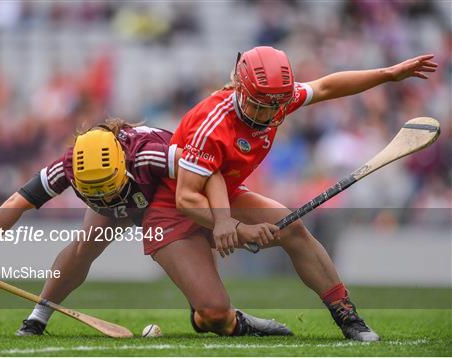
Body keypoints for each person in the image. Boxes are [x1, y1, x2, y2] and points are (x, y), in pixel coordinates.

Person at [141, 46, 438, 341]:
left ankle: (347, 314)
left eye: (275, 106)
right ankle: (223, 317)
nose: (268, 114)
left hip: (226, 196)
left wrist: (387, 74)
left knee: (293, 228)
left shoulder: (276, 99)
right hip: (173, 211)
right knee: (215, 316)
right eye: (259, 105)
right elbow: (187, 198)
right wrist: (236, 228)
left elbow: (326, 86)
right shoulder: (212, 124)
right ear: (240, 89)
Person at [0, 118, 291, 337]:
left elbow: (209, 173)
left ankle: (214, 309)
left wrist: (220, 223)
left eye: (107, 187)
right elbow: (15, 204)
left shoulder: (151, 155)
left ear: (122, 163)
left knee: (207, 281)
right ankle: (38, 316)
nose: (104, 197)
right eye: (94, 192)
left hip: (166, 198)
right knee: (84, 247)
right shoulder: (67, 167)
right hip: (131, 200)